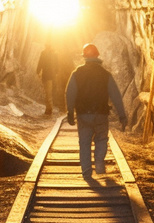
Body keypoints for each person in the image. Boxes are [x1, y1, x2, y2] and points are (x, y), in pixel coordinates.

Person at [65, 43, 127, 178]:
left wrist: (70, 112)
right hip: (101, 114)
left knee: (84, 142)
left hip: (83, 114)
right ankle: (99, 163)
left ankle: (86, 169)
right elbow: (116, 96)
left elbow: (69, 93)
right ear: (97, 56)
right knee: (101, 139)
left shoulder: (77, 73)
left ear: (84, 57)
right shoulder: (105, 74)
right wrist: (122, 115)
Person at [37, 43, 59, 116]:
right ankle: (49, 109)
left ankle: (49, 110)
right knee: (49, 92)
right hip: (52, 76)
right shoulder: (55, 53)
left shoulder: (44, 53)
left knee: (48, 93)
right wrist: (56, 72)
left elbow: (40, 62)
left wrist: (38, 71)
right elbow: (57, 65)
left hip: (46, 75)